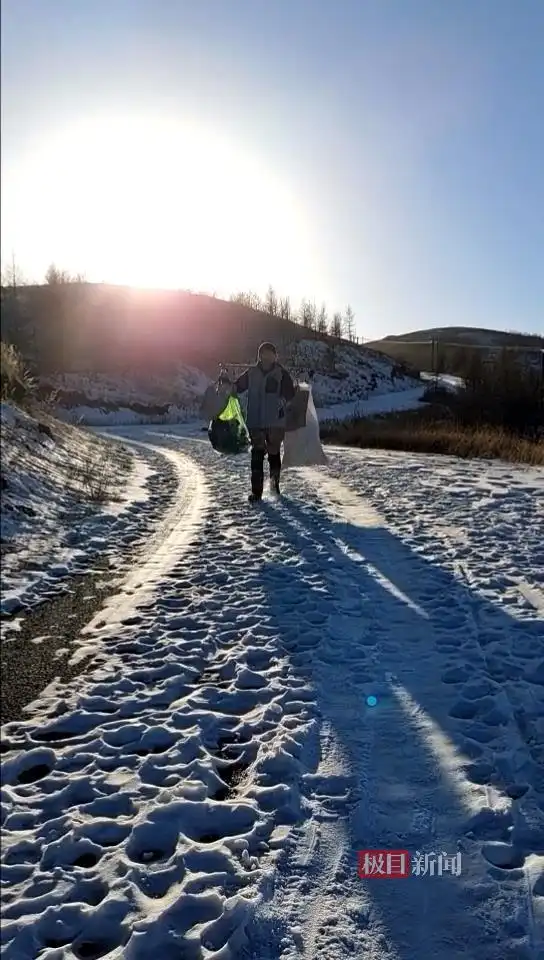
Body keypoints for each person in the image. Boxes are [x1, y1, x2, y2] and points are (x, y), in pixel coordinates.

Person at [233, 342, 296, 502]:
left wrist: (283, 399)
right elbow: (237, 388)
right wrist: (226, 384)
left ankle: (275, 488)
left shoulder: (281, 373)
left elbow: (291, 393)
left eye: (270, 354)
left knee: (274, 455)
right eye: (263, 354)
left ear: (275, 356)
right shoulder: (251, 373)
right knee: (257, 456)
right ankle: (257, 492)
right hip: (255, 421)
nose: (266, 357)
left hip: (275, 422)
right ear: (259, 356)